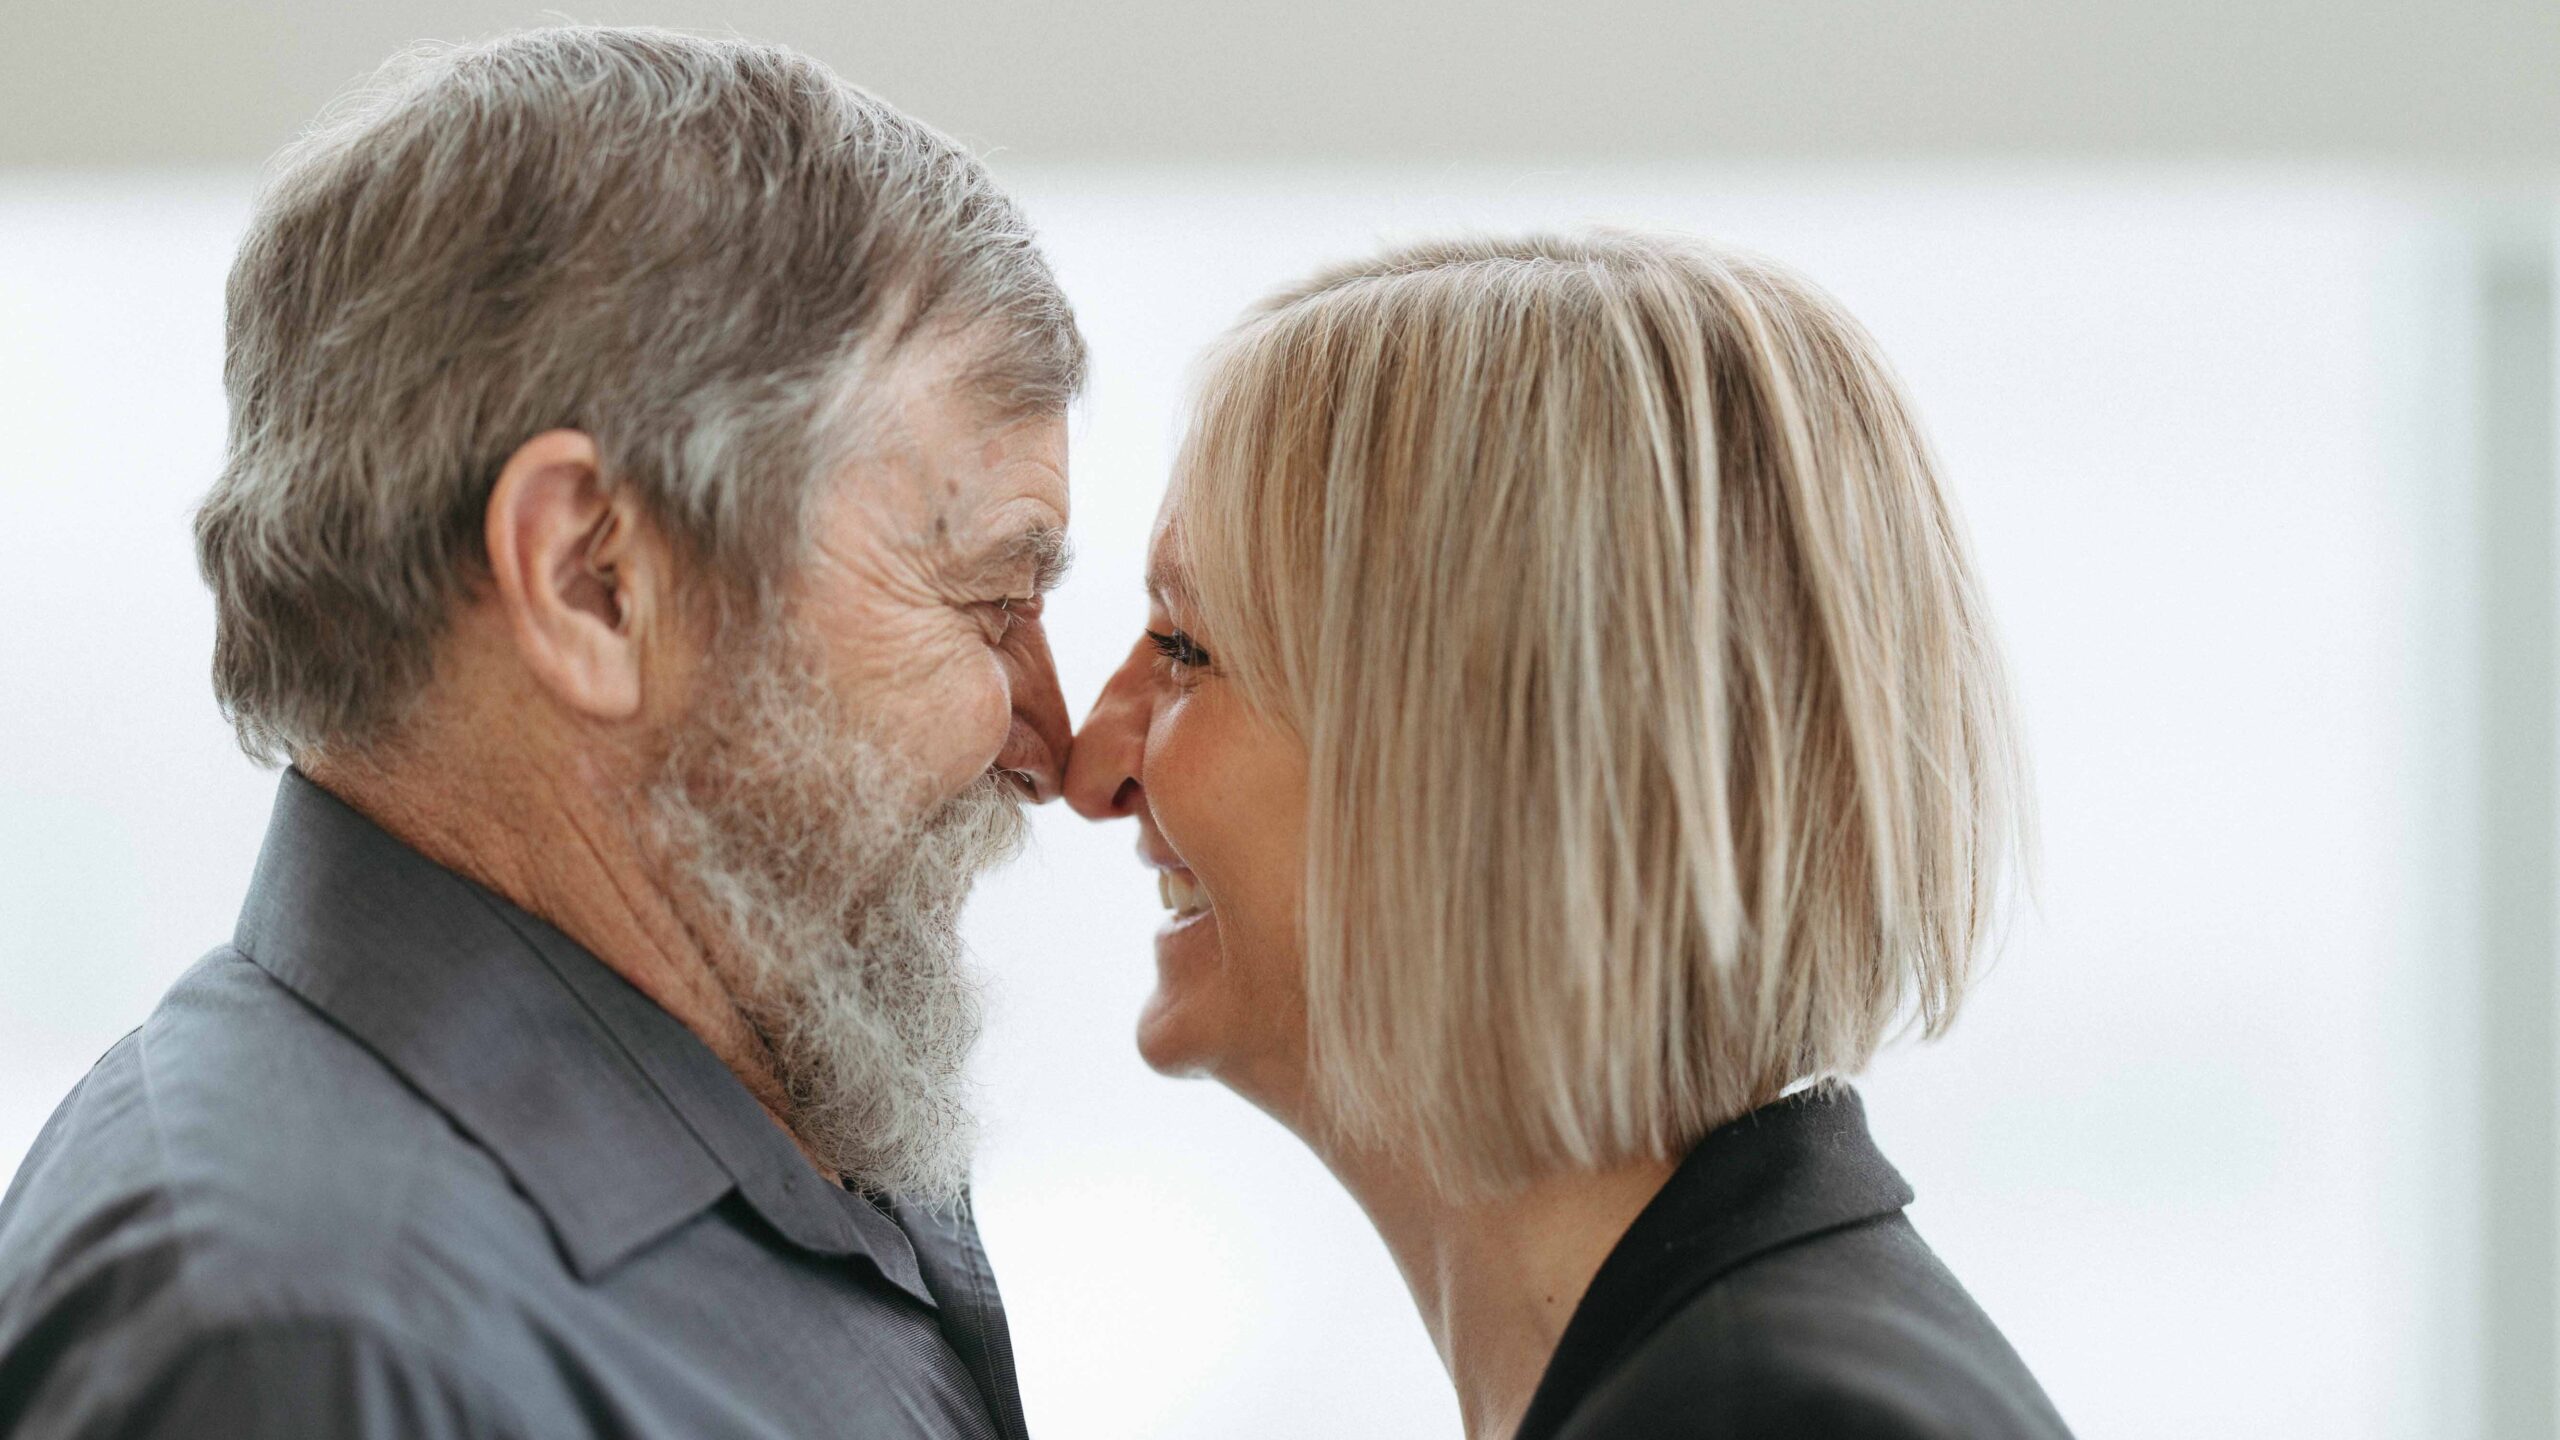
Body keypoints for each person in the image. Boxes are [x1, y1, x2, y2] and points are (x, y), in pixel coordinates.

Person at [0, 27, 1082, 1439]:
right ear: (593, 582)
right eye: (988, 598)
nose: (1050, 742)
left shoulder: (744, 1150)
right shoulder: (306, 1345)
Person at [1066, 232, 2073, 1439]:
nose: (1091, 764)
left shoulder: (1770, 1417)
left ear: (1483, 745)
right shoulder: (1712, 1373)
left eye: (1185, 649)